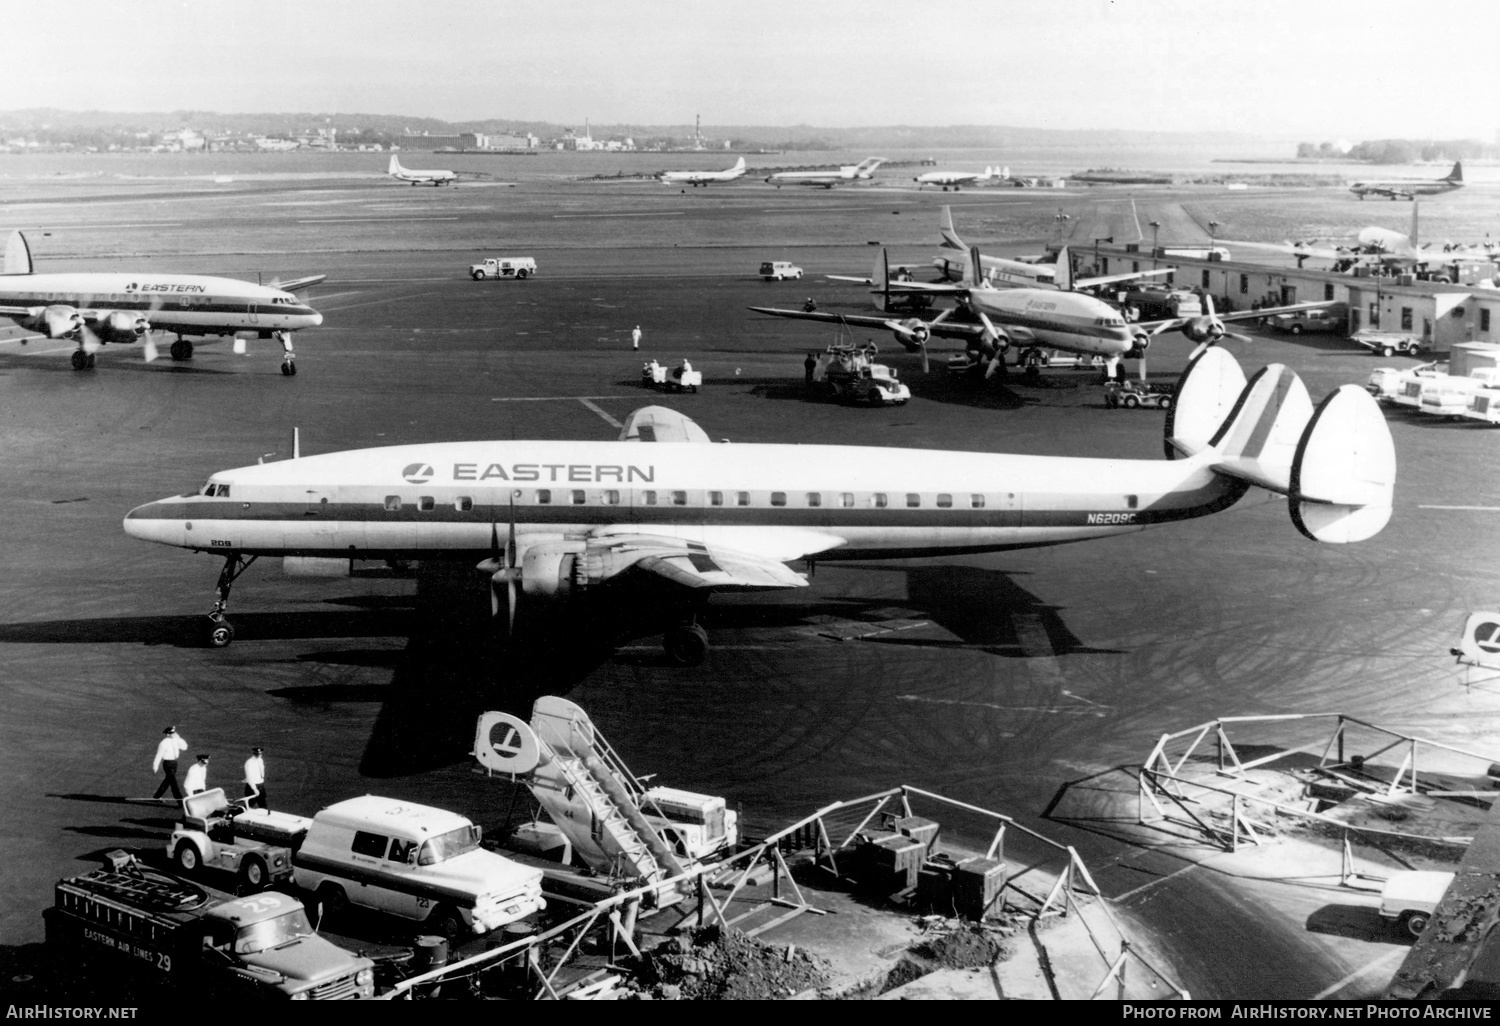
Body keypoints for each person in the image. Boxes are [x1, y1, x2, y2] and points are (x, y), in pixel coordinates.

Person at [152, 725, 189, 801]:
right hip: (168, 764)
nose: (173, 734)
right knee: (173, 783)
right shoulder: (163, 743)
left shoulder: (176, 741)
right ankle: (180, 801)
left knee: (168, 781)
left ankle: (157, 796)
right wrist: (155, 767)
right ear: (168, 734)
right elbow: (158, 756)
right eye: (171, 733)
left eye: (174, 732)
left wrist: (178, 738)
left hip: (174, 763)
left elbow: (184, 747)